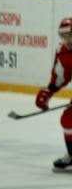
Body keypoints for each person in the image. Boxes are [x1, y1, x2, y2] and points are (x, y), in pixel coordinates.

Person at [35, 16, 72, 173]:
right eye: (64, 37)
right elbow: (60, 77)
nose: (67, 40)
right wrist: (48, 92)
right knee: (68, 119)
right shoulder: (63, 53)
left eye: (70, 36)